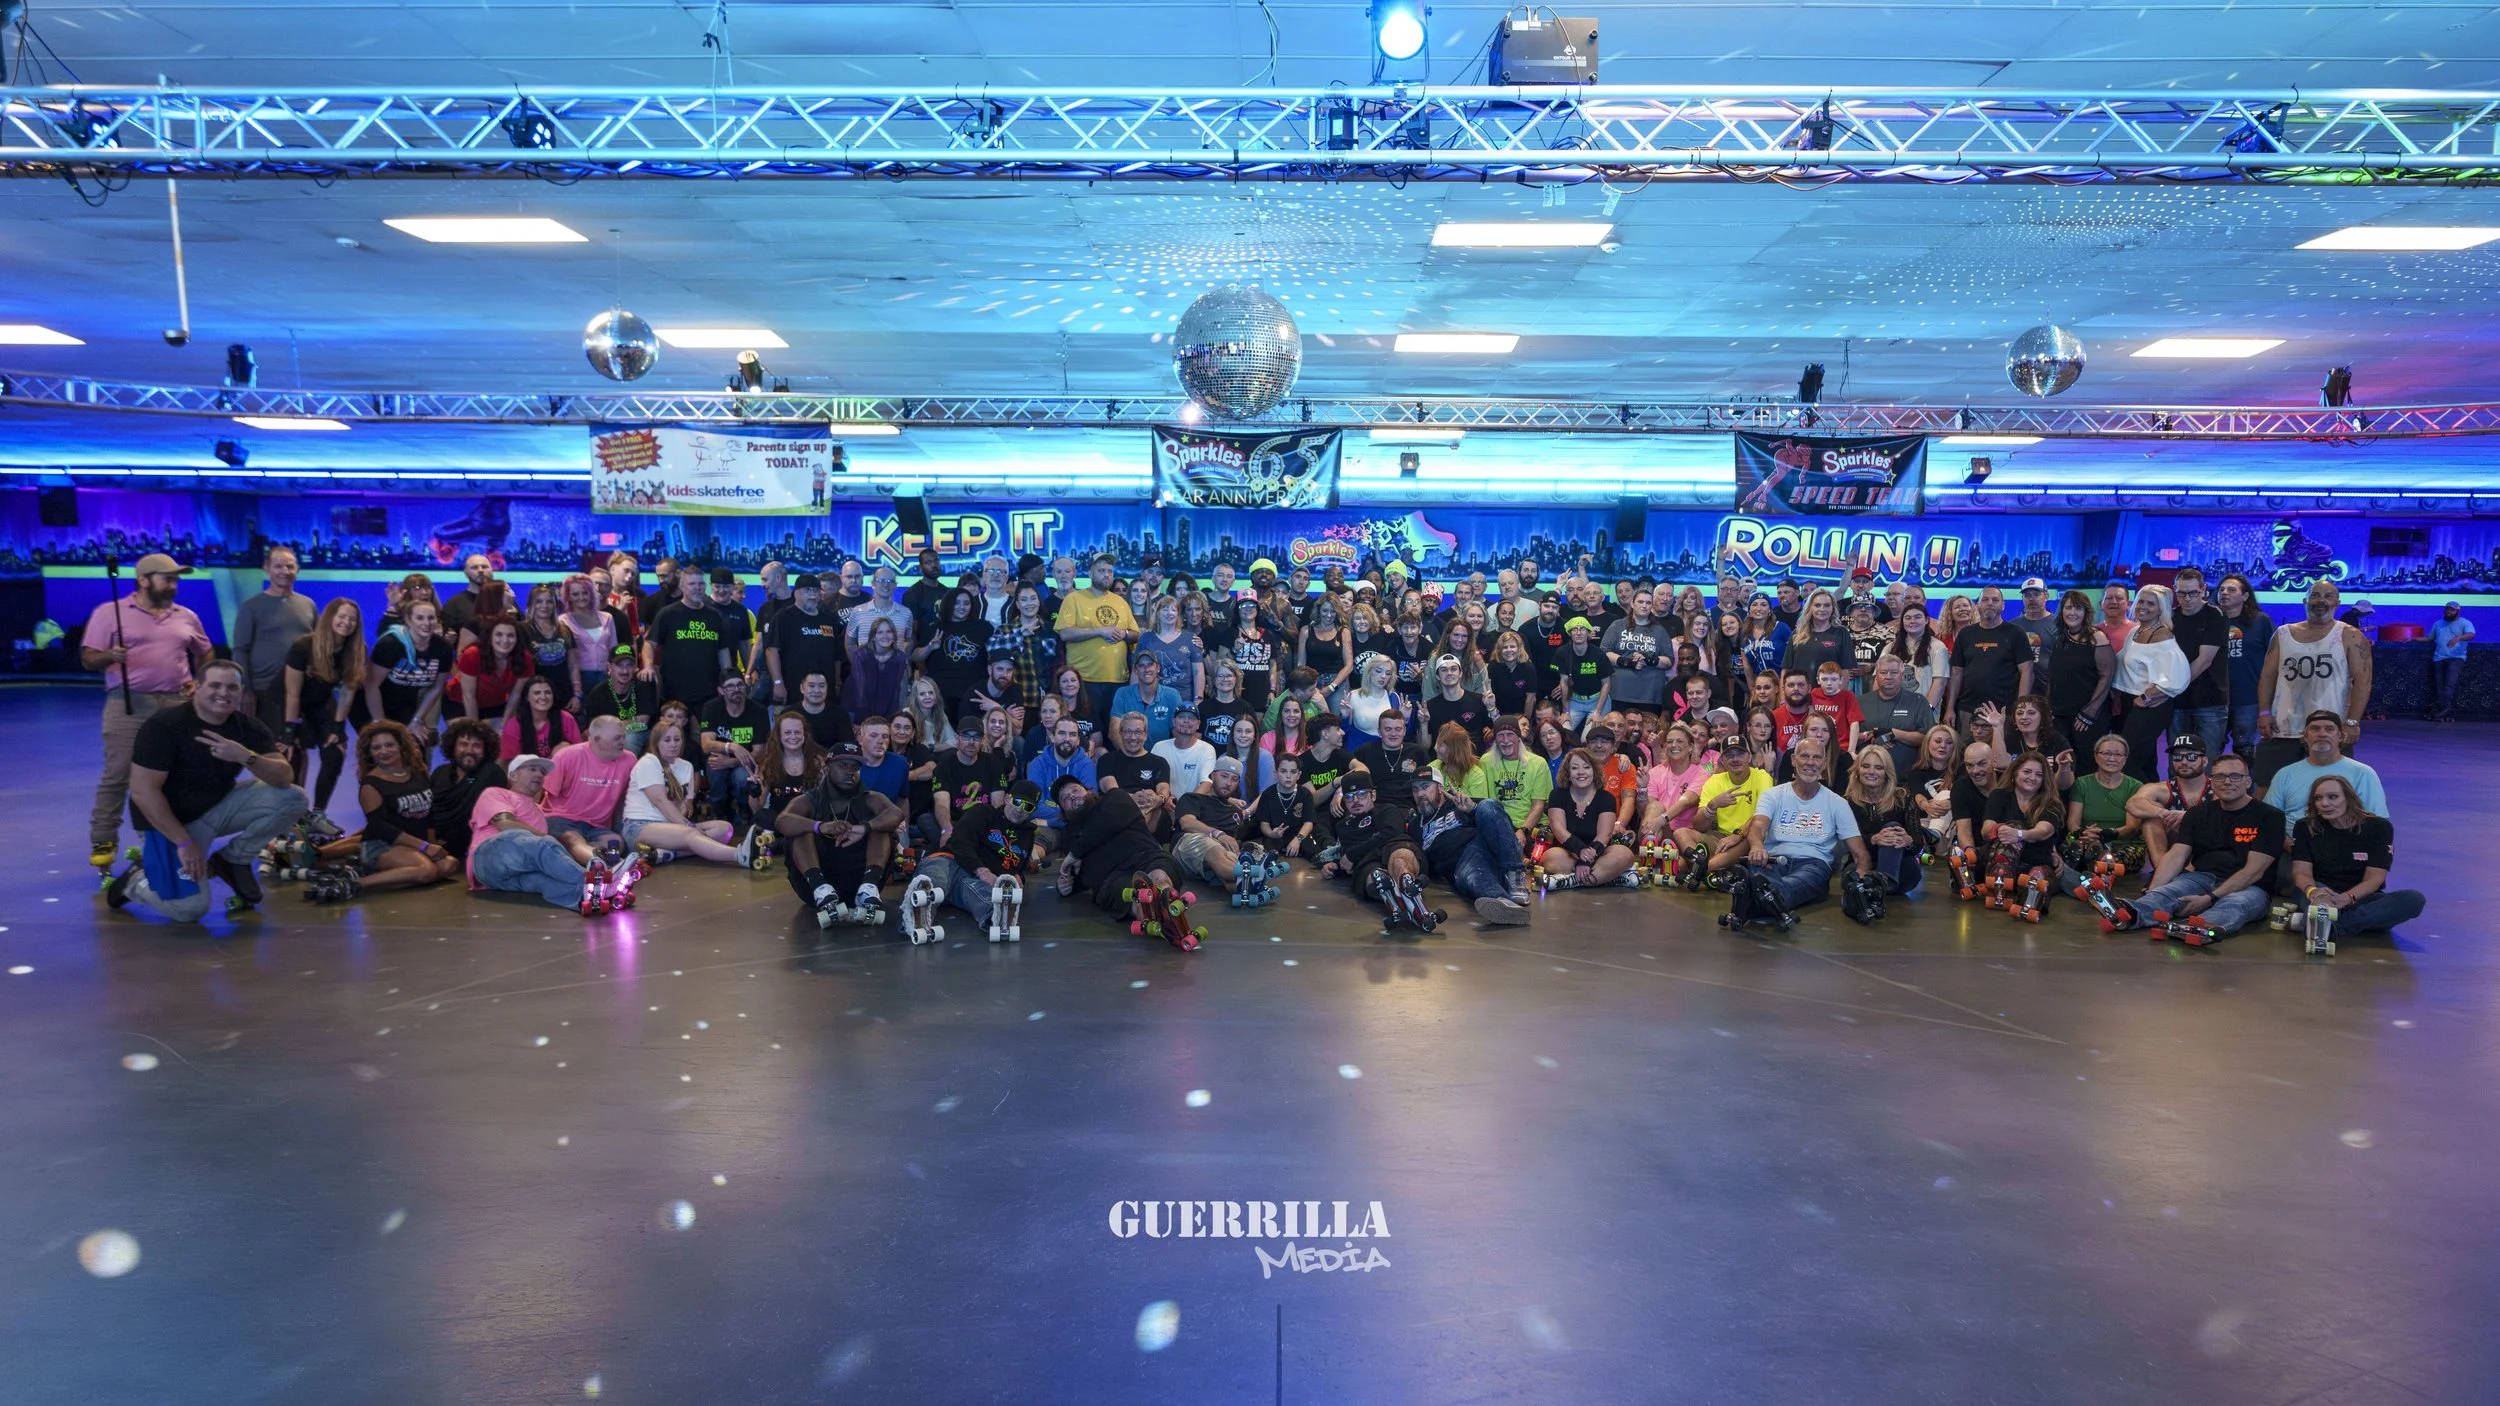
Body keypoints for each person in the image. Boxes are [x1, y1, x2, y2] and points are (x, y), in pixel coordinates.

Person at [103, 660, 306, 921]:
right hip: (167, 825)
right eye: (215, 685)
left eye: (232, 687)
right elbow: (143, 792)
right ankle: (136, 881)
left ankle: (233, 859)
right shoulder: (164, 726)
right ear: (196, 687)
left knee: (293, 797)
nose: (224, 693)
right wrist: (183, 842)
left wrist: (246, 756)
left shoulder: (247, 727)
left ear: (241, 692)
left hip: (213, 811)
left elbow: (284, 776)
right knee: (189, 910)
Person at [83, 552, 217, 868]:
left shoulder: (186, 615)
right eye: (167, 578)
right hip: (128, 702)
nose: (174, 584)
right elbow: (88, 658)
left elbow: (206, 650)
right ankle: (104, 837)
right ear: (143, 580)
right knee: (119, 771)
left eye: (176, 578)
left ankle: (174, 839)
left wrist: (201, 680)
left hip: (177, 703)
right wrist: (110, 655)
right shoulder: (110, 613)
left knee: (178, 773)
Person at [2106, 752, 2285, 943]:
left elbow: (2254, 871)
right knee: (2167, 893)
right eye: (2219, 776)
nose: (2227, 782)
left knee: (2235, 904)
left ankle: (2197, 927)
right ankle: (2129, 914)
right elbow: (2176, 855)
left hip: (2251, 887)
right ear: (2212, 781)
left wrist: (2210, 898)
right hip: (2202, 878)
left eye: (2235, 776)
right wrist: (2154, 889)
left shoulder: (2270, 816)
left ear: (2248, 781)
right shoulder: (2197, 814)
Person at [307, 720, 458, 901]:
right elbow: (380, 827)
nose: (384, 751)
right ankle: (354, 883)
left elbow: (429, 813)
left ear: (401, 746)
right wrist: (424, 847)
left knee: (450, 865)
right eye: (376, 748)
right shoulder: (371, 784)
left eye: (389, 745)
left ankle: (392, 873)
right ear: (370, 753)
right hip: (383, 844)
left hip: (414, 843)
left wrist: (432, 844)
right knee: (427, 871)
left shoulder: (419, 772)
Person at [1731, 738, 1876, 922]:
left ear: (1824, 763)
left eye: (1817, 758)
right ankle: (1767, 899)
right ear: (1793, 760)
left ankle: (1757, 899)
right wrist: (1757, 846)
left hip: (1814, 864)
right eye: (1805, 756)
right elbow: (1758, 825)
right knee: (1761, 872)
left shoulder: (1838, 804)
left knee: (1784, 884)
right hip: (1772, 860)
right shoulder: (1773, 795)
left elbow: (1860, 853)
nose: (1810, 762)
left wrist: (1860, 884)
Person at [1050, 773, 1197, 947]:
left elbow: (1106, 824)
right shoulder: (1068, 835)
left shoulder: (1115, 798)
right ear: (1063, 810)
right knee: (1140, 900)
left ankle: (1169, 909)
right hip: (1112, 879)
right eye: (1065, 798)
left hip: (1147, 857)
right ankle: (1162, 923)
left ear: (1088, 790)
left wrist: (1075, 853)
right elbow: (1081, 875)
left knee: (1159, 877)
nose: (1072, 796)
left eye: (1075, 790)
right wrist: (1067, 886)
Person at [2255, 579, 2371, 786]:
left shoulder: (2350, 636)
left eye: (2328, 596)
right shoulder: (2283, 633)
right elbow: (2268, 677)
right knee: (2268, 789)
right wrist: (2264, 713)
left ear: (2337, 602)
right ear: (2304, 601)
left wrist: (2353, 723)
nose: (2321, 600)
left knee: (2331, 791)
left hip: (2330, 730)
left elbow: (2363, 682)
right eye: (2315, 595)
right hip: (2283, 727)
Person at [776, 742, 904, 921]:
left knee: (881, 826)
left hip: (859, 884)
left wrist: (864, 828)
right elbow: (782, 820)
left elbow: (896, 813)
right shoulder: (809, 799)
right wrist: (820, 826)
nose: (850, 771)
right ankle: (820, 887)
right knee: (799, 828)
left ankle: (869, 886)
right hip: (816, 889)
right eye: (843, 765)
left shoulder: (870, 798)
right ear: (828, 766)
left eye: (855, 767)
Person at [2286, 775, 2425, 939]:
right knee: (2312, 897)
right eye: (2318, 798)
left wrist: (2348, 897)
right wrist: (2314, 891)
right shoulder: (2305, 826)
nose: (2324, 803)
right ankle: (2342, 922)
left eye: (2333, 797)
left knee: (2413, 899)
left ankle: (2330, 927)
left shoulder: (2379, 827)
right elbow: (2301, 872)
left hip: (2359, 897)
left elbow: (2375, 878)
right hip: (2321, 892)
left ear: (2348, 798)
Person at [466, 754, 597, 911]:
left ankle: (590, 900)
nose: (539, 774)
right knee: (544, 843)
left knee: (544, 881)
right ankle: (595, 882)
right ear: (513, 775)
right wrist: (547, 840)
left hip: (498, 880)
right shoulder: (496, 793)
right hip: (488, 857)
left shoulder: (539, 811)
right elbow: (506, 824)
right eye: (532, 769)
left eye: (542, 772)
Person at [622, 719, 761, 866]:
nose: (673, 744)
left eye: (677, 739)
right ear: (656, 742)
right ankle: (739, 855)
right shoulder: (648, 762)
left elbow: (681, 807)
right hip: (639, 826)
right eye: (667, 740)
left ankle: (665, 854)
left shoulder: (686, 766)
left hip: (670, 825)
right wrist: (688, 827)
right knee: (691, 833)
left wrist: (686, 826)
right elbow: (660, 802)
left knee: (724, 829)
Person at [915, 779, 1044, 935]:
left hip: (971, 879)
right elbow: (960, 842)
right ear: (1008, 798)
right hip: (949, 859)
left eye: (1028, 806)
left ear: (1032, 811)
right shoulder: (983, 813)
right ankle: (916, 917)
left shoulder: (1028, 835)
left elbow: (1016, 869)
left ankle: (996, 919)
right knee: (935, 880)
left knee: (982, 895)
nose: (1020, 809)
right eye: (1017, 802)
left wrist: (1016, 879)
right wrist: (982, 871)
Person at [1405, 770, 1534, 923]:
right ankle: (1505, 904)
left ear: (1440, 788)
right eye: (1415, 789)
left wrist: (1472, 809)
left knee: (1487, 805)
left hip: (1492, 847)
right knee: (1474, 874)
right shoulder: (1414, 825)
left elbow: (1497, 819)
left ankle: (1516, 879)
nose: (1420, 794)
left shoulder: (1459, 804)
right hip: (1462, 864)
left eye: (1425, 787)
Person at [283, 597, 367, 808]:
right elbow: (292, 694)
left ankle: (317, 814)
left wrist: (338, 727)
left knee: (334, 753)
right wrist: (289, 731)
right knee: (291, 756)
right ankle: (293, 816)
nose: (347, 623)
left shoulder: (357, 650)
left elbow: (348, 690)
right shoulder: (303, 646)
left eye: (353, 619)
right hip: (288, 705)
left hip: (319, 705)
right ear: (330, 617)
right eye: (342, 616)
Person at [2110, 584, 2190, 782]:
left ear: (2161, 609)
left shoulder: (2163, 636)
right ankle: (2153, 805)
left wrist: (2147, 697)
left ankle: (2146, 803)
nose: (2143, 606)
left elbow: (2178, 676)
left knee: (2127, 761)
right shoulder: (2136, 632)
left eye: (2151, 604)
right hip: (2129, 701)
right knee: (2144, 761)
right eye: (2141, 601)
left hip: (2148, 706)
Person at [232, 546, 314, 728]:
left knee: (300, 747)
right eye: (278, 566)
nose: (285, 571)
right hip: (265, 690)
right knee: (272, 747)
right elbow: (240, 650)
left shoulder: (308, 605)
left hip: (303, 688)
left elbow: (317, 647)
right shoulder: (251, 607)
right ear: (266, 568)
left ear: (298, 569)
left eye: (290, 566)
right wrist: (245, 690)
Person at [364, 599, 456, 759]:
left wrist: (416, 720)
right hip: (371, 704)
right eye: (419, 618)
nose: (426, 623)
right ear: (408, 620)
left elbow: (436, 688)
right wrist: (381, 725)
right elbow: (371, 686)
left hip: (406, 706)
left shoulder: (443, 649)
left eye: (431, 618)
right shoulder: (391, 644)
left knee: (416, 751)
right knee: (381, 750)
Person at [2262, 709, 2388, 825]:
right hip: (2293, 846)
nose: (2322, 734)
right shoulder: (2284, 774)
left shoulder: (2363, 773)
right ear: (2305, 737)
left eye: (2329, 729)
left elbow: (2377, 822)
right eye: (2315, 729)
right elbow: (2269, 820)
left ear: (2340, 736)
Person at [1980, 751, 2064, 917]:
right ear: (2015, 773)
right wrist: (2004, 830)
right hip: (1999, 858)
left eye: (2039, 775)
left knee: (2039, 876)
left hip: (2034, 861)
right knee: (2010, 826)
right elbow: (1986, 830)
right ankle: (2001, 887)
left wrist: (2019, 834)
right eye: (2027, 772)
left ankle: (2028, 901)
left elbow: (2043, 831)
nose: (2033, 778)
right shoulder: (1999, 795)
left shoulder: (2051, 803)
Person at [1056, 555, 1140, 721]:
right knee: (1088, 732)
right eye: (1101, 571)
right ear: (1090, 573)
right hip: (1085, 680)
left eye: (1110, 571)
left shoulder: (1121, 602)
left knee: (1115, 731)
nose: (1107, 575)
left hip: (1118, 680)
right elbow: (1065, 633)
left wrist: (1123, 634)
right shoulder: (1074, 599)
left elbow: (1135, 634)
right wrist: (1100, 631)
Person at [1540, 748, 1638, 889]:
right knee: (1549, 858)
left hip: (1600, 853)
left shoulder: (1606, 798)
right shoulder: (1557, 794)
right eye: (1575, 768)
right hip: (1569, 853)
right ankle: (1609, 878)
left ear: (1595, 771)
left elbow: (1604, 835)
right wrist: (1580, 852)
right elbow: (1558, 828)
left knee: (1625, 855)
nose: (1581, 772)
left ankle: (1572, 881)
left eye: (1586, 767)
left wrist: (1585, 862)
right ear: (1568, 773)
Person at [541, 716, 638, 854]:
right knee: (573, 839)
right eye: (617, 738)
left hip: (596, 825)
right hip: (561, 818)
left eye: (623, 737)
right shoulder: (568, 755)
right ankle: (600, 867)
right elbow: (540, 790)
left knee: (616, 844)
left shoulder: (629, 760)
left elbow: (625, 800)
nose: (623, 742)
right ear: (597, 739)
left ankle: (580, 856)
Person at [2061, 733, 2148, 884]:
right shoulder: (2081, 783)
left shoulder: (2136, 786)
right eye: (2107, 753)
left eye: (2118, 754)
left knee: (2110, 858)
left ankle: (2097, 866)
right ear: (2096, 757)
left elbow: (2132, 827)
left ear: (2125, 758)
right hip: (2086, 839)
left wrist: (2104, 835)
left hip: (2123, 845)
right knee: (2070, 846)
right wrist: (2083, 832)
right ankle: (2092, 862)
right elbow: (2073, 822)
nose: (2112, 759)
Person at [643, 569, 731, 713]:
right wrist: (648, 666)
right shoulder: (667, 613)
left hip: (708, 691)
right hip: (675, 691)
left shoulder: (716, 616)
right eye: (692, 584)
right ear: (682, 586)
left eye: (701, 584)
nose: (697, 588)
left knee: (705, 734)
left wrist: (727, 678)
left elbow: (723, 650)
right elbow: (650, 643)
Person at [1945, 585, 2031, 728]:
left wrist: (2020, 709)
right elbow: (1956, 672)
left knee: (2002, 750)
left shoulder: (2016, 633)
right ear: (1978, 606)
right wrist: (1950, 708)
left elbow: (2027, 671)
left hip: (2005, 710)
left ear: (2003, 606)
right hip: (1968, 709)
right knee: (1968, 750)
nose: (1990, 603)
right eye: (1985, 600)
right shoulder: (1965, 634)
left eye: (1995, 600)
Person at [1844, 744, 1923, 898]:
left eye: (1878, 768)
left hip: (1901, 869)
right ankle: (1879, 885)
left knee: (1893, 827)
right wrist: (1873, 839)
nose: (1871, 772)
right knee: (1850, 878)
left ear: (1887, 773)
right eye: (1866, 766)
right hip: (1864, 864)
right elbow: (1845, 844)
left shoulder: (1903, 799)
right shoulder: (1846, 803)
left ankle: (1882, 882)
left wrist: (1908, 841)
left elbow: (1918, 843)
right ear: (1857, 771)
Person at [427, 718, 505, 863]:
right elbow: (429, 813)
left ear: (485, 749)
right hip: (434, 844)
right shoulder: (440, 773)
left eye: (477, 746)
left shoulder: (492, 772)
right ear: (453, 747)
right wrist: (432, 844)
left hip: (476, 847)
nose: (469, 751)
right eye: (463, 744)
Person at [2123, 731, 2209, 861]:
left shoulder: (2218, 788)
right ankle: (2162, 871)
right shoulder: (2161, 788)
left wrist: (2187, 817)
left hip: (2208, 851)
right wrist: (2164, 813)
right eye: (2177, 757)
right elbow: (2132, 804)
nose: (2184, 762)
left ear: (2205, 761)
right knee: (2151, 817)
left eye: (2191, 757)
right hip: (2171, 852)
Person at [767, 573, 848, 708]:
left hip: (824, 691)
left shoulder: (828, 619)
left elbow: (836, 655)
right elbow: (772, 651)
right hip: (793, 688)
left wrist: (836, 681)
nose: (812, 595)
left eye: (816, 590)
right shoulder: (783, 617)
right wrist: (777, 683)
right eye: (807, 590)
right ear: (796, 594)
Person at [2216, 573, 2275, 752]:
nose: (2225, 593)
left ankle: (2245, 781)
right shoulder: (2211, 620)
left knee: (2244, 749)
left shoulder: (2260, 621)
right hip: (2215, 699)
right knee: (2211, 748)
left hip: (2248, 698)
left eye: (2231, 590)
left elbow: (2274, 658)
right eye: (2221, 589)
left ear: (2245, 596)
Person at [1857, 654, 1935, 778]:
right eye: (1883, 672)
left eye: (1894, 672)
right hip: (1867, 777)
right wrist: (1870, 735)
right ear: (1876, 676)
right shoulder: (1860, 702)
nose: (1888, 677)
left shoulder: (1918, 702)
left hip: (1906, 778)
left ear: (1902, 676)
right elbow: (1847, 737)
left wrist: (1894, 734)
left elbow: (1929, 738)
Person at [1600, 589, 1673, 719]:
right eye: (1640, 602)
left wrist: (1650, 660)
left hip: (1650, 696)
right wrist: (1627, 662)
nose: (1644, 606)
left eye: (1648, 603)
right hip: (1620, 693)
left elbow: (1669, 661)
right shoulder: (1617, 626)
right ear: (1632, 603)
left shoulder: (1659, 631)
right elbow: (1604, 653)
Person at [451, 617, 533, 724]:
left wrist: (505, 725)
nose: (505, 640)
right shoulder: (472, 655)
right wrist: (475, 728)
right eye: (499, 634)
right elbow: (469, 696)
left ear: (517, 638)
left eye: (510, 635)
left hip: (495, 703)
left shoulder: (525, 658)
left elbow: (515, 695)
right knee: (471, 737)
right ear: (490, 637)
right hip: (460, 702)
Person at [1024, 715, 1098, 833]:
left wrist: (1050, 821)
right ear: (1052, 737)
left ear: (1078, 740)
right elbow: (1035, 806)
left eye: (1072, 734)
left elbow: (1090, 805)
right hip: (1048, 829)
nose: (1067, 738)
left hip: (1070, 826)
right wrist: (1071, 812)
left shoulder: (1086, 764)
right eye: (1062, 733)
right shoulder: (1038, 764)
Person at [1110, 653, 1186, 746]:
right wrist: (1128, 755)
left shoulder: (1172, 695)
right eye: (1141, 665)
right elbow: (1114, 731)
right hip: (1129, 754)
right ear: (1136, 670)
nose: (1146, 669)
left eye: (1150, 664)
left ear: (1158, 668)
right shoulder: (1123, 693)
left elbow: (1179, 732)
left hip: (1161, 756)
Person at [843, 616, 911, 719]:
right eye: (880, 632)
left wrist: (892, 719)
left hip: (886, 709)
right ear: (873, 637)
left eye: (889, 632)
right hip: (856, 708)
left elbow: (896, 692)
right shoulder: (861, 655)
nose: (885, 636)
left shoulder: (899, 658)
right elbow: (861, 691)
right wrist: (862, 721)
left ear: (894, 636)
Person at [502, 674, 581, 761]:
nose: (543, 697)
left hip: (559, 769)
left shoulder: (566, 718)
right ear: (527, 698)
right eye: (537, 693)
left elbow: (579, 751)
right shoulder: (514, 725)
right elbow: (511, 761)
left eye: (548, 693)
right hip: (526, 769)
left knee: (564, 746)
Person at [1555, 616, 1612, 728]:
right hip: (1575, 700)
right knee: (1563, 732)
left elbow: (1606, 684)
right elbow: (1564, 682)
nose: (1579, 633)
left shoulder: (1599, 654)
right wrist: (1565, 711)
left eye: (1582, 629)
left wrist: (1598, 712)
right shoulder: (1562, 653)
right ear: (1569, 633)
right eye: (1574, 629)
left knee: (1590, 737)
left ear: (1588, 632)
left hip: (1597, 700)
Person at [438, 554, 503, 650]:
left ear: (491, 570)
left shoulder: (503, 600)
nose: (480, 570)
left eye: (484, 567)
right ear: (465, 572)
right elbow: (447, 640)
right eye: (474, 567)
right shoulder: (454, 604)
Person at [1151, 707, 1219, 797]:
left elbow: (1206, 784)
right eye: (1181, 717)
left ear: (1198, 724)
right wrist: (1164, 799)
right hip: (1163, 804)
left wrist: (1185, 804)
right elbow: (1150, 780)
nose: (1186, 721)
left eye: (1191, 718)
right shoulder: (1159, 747)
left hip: (1194, 806)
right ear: (1174, 722)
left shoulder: (1207, 749)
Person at [1804, 659, 1864, 756]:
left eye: (1833, 679)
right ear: (1818, 680)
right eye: (1825, 679)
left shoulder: (1848, 696)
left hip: (1841, 746)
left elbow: (1854, 724)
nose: (1829, 683)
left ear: (1841, 680)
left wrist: (1851, 750)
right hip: (1817, 745)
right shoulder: (1814, 693)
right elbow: (1809, 720)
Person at [2427, 601, 2475, 722]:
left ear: (2457, 611)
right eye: (2447, 609)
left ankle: (2440, 714)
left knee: (2449, 685)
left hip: (2456, 657)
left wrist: (2458, 637)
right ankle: (2443, 714)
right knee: (2439, 687)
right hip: (2439, 658)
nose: (2449, 611)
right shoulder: (2438, 624)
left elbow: (2471, 634)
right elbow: (2430, 638)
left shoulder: (2465, 622)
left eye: (2452, 610)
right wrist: (2412, 638)